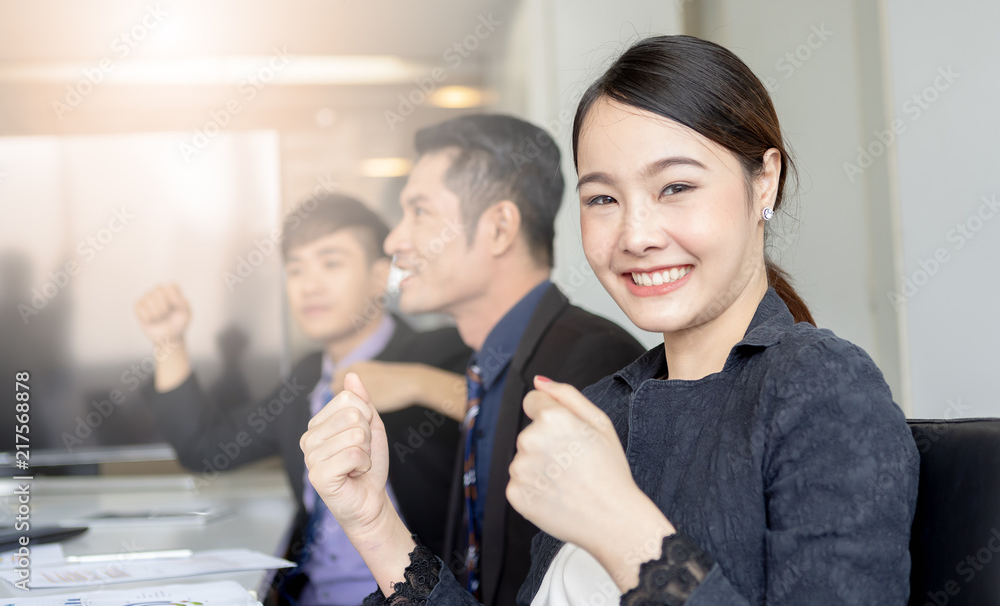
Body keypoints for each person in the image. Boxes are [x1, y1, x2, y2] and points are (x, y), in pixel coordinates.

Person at [300, 36, 920, 605]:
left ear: (765, 181)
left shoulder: (820, 389)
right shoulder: (602, 407)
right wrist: (372, 520)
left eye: (675, 187)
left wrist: (619, 525)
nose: (636, 235)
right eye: (602, 199)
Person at [322, 114, 645, 605]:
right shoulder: (484, 367)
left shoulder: (591, 365)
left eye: (421, 212)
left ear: (498, 228)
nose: (395, 241)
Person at [134, 193, 471, 606]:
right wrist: (169, 342)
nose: (309, 285)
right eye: (296, 269)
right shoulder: (306, 379)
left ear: (378, 276)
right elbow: (205, 447)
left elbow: (508, 416)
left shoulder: (439, 352)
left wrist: (416, 383)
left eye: (331, 263)